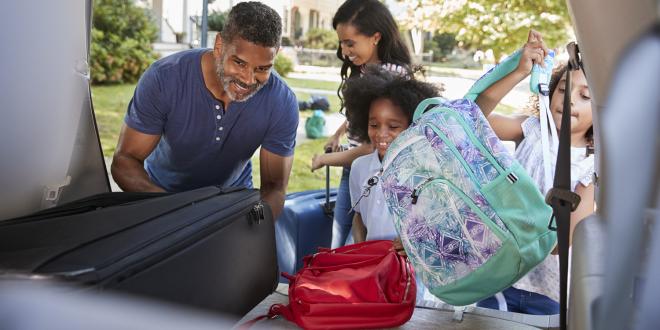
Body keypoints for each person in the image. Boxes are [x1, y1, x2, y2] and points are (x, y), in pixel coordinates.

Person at [111, 2, 298, 219]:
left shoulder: (282, 101)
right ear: (219, 45)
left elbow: (274, 187)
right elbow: (125, 161)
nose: (248, 79)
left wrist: (254, 222)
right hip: (161, 197)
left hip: (231, 202)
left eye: (262, 69)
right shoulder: (164, 78)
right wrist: (174, 213)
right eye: (239, 63)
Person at [474, 30, 595, 314]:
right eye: (564, 90)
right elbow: (475, 114)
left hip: (551, 294)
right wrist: (518, 71)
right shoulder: (531, 130)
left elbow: (561, 244)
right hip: (501, 279)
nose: (569, 101)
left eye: (585, 95)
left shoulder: (591, 167)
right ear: (549, 91)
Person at [311, 0, 417, 248]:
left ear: (375, 37)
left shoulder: (391, 76)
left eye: (350, 43)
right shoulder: (364, 69)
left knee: (358, 251)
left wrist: (323, 160)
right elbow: (361, 116)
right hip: (355, 172)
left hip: (376, 175)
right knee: (339, 246)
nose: (344, 50)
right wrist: (339, 132)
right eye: (341, 42)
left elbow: (374, 146)